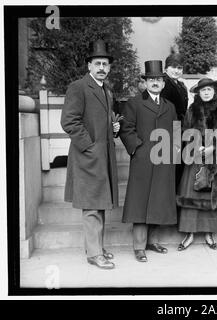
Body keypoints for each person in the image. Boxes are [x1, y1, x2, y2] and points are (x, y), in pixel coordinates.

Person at [60, 39, 120, 269]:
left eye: (105, 63)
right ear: (89, 66)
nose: (102, 68)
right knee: (92, 206)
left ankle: (96, 247)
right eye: (98, 63)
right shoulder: (78, 87)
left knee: (100, 202)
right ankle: (95, 254)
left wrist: (113, 129)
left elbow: (100, 120)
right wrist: (90, 146)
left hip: (102, 156)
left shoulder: (107, 91)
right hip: (88, 156)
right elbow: (69, 121)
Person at [119, 60, 180, 262]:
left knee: (159, 200)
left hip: (164, 159)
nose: (155, 83)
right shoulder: (134, 103)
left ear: (163, 84)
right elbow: (126, 129)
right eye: (151, 79)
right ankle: (138, 247)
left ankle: (152, 241)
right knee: (140, 202)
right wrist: (137, 148)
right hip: (143, 160)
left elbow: (175, 130)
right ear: (145, 82)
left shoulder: (169, 106)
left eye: (159, 80)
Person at [176, 78, 217, 250]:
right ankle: (189, 234)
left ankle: (209, 233)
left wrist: (213, 147)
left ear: (214, 92)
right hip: (196, 157)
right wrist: (195, 145)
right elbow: (185, 130)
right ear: (198, 92)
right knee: (193, 195)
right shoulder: (192, 109)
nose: (206, 93)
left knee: (211, 194)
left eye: (209, 90)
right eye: (203, 90)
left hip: (216, 156)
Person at [161, 53, 189, 189]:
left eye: (179, 68)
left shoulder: (180, 85)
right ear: (166, 68)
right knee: (172, 167)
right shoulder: (165, 84)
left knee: (178, 167)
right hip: (169, 129)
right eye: (173, 67)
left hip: (180, 128)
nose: (177, 71)